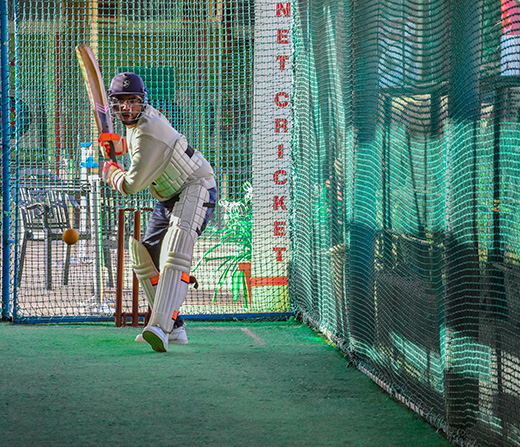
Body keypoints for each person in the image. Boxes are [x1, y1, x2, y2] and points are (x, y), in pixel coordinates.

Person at [100, 72, 217, 352]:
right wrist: (118, 145)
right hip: (167, 196)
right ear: (114, 105)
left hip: (196, 187)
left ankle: (160, 327)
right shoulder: (141, 123)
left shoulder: (148, 131)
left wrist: (110, 172)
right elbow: (135, 142)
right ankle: (175, 327)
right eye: (121, 102)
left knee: (174, 255)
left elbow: (130, 185)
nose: (127, 107)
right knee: (145, 256)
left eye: (133, 101)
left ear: (142, 101)